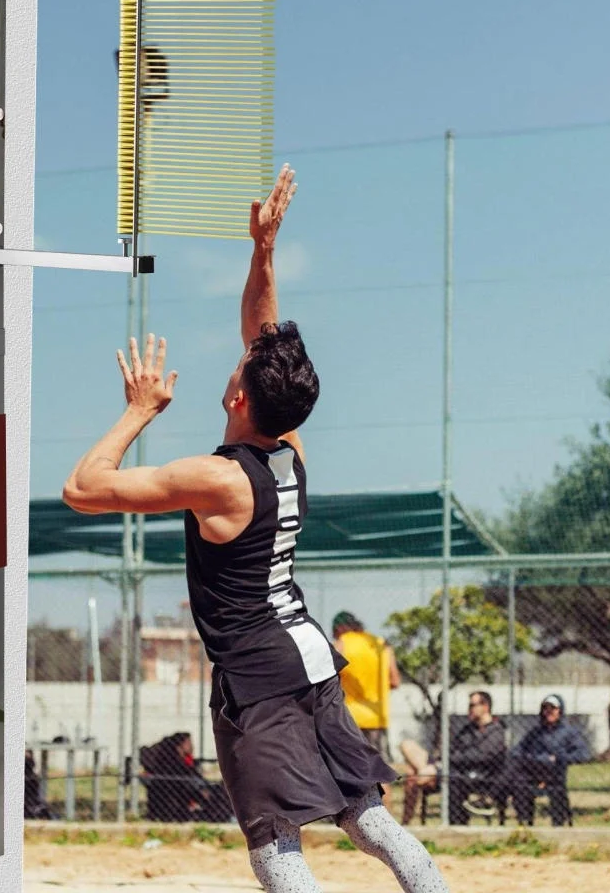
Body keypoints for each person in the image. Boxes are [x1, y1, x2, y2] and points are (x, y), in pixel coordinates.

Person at [63, 165, 450, 893]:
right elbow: (262, 335)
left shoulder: (219, 478)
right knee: (369, 820)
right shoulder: (289, 452)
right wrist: (263, 251)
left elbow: (82, 488)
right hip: (311, 657)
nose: (242, 355)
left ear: (239, 396)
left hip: (261, 676)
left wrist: (139, 411)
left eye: (243, 364)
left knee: (275, 845)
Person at [399, 691, 507, 826]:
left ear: (485, 707)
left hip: (469, 774)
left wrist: (448, 760)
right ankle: (426, 771)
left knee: (412, 776)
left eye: (472, 705)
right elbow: (451, 750)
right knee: (407, 745)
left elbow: (480, 756)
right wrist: (439, 762)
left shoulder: (496, 730)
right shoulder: (468, 729)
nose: (469, 709)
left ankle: (405, 824)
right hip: (446, 766)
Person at [332, 611, 401, 810]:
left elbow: (328, 675)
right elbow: (395, 680)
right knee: (380, 770)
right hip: (377, 718)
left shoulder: (341, 644)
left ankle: (349, 812)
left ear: (339, 628)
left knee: (346, 768)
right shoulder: (381, 645)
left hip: (350, 718)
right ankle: (386, 814)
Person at [509, 693, 589, 826]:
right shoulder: (535, 732)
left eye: (553, 708)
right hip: (533, 774)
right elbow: (517, 750)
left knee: (557, 792)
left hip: (555, 775)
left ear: (560, 711)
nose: (549, 712)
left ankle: (558, 824)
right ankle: (525, 823)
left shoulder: (568, 732)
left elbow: (583, 754)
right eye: (546, 708)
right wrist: (529, 758)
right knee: (519, 785)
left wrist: (559, 758)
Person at [139, 731, 233, 823]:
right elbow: (185, 785)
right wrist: (202, 793)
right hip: (176, 806)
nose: (192, 746)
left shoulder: (186, 761)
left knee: (221, 790)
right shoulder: (172, 763)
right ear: (180, 745)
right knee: (217, 797)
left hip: (192, 794)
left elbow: (195, 781)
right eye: (188, 743)